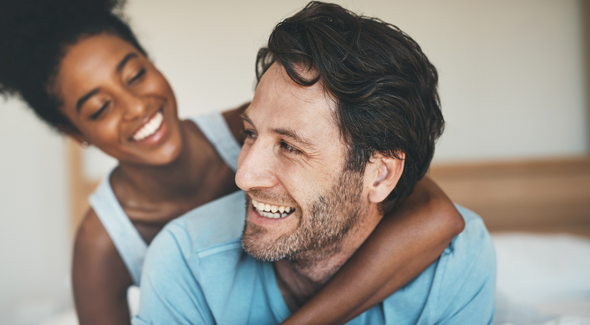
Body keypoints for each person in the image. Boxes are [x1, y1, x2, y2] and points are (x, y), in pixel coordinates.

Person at [0, 0, 465, 324]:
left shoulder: (249, 130)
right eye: (99, 107)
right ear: (76, 133)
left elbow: (437, 215)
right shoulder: (100, 247)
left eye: (134, 74)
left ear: (153, 63)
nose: (135, 108)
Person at [134, 2, 497, 325]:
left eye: (290, 147)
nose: (244, 176)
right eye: (249, 133)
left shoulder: (454, 265)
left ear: (380, 175)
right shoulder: (184, 263)